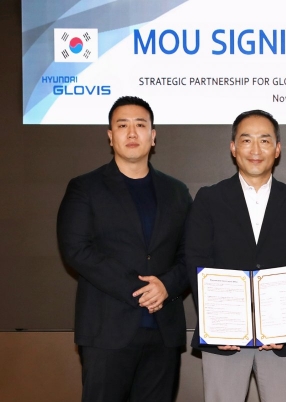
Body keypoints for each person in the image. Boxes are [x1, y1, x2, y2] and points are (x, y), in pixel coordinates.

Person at [56, 96, 193, 402]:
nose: (132, 133)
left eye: (140, 125)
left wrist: (167, 286)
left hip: (163, 331)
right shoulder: (85, 187)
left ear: (153, 135)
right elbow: (76, 249)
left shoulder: (177, 191)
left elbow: (191, 253)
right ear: (110, 135)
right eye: (122, 125)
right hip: (106, 332)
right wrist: (140, 289)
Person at [185, 110, 286, 402]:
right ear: (233, 147)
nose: (255, 150)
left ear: (277, 148)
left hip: (281, 339)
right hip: (225, 338)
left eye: (265, 140)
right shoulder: (209, 199)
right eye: (246, 140)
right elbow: (195, 259)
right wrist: (217, 324)